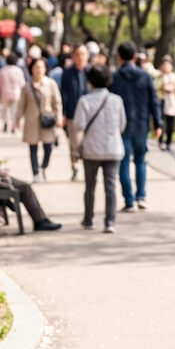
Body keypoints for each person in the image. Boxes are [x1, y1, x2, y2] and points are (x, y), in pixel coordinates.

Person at [0, 105, 61, 231]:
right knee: (25, 187)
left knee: (22, 185)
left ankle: (38, 218)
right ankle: (40, 220)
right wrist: (1, 172)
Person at [73, 63, 126, 233]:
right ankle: (110, 222)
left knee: (90, 186)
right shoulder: (117, 100)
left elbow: (79, 125)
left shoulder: (84, 101)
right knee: (111, 186)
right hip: (113, 149)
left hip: (91, 149)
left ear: (90, 82)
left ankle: (88, 219)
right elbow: (122, 125)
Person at [111, 41, 162, 211]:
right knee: (140, 160)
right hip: (141, 123)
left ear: (119, 56)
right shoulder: (145, 76)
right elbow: (154, 101)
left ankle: (129, 201)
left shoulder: (115, 77)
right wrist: (158, 123)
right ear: (134, 56)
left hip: (121, 125)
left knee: (123, 162)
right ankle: (141, 196)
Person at [14, 56, 63, 182]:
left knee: (48, 147)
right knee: (33, 149)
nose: (39, 70)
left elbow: (57, 102)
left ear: (45, 69)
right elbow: (21, 106)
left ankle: (44, 167)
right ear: (31, 69)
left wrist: (59, 117)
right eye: (36, 67)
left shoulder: (51, 84)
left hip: (47, 120)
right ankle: (35, 173)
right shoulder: (27, 87)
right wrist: (16, 121)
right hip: (31, 122)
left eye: (41, 67)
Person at [59, 44, 90, 181]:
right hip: (73, 113)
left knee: (88, 142)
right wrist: (63, 113)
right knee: (74, 143)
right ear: (73, 56)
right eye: (77, 54)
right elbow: (64, 93)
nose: (80, 57)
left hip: (91, 115)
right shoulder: (67, 73)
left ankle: (88, 167)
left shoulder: (91, 72)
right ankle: (75, 167)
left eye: (83, 54)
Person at [0, 51, 26, 133]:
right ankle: (13, 125)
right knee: (14, 111)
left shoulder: (2, 70)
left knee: (5, 111)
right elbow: (22, 84)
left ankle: (5, 123)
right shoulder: (18, 70)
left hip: (4, 93)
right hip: (16, 94)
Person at [156, 56, 175, 151]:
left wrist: (170, 87)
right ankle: (160, 141)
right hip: (160, 101)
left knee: (170, 123)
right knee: (160, 122)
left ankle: (168, 142)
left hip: (171, 102)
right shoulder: (159, 75)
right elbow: (159, 87)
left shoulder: (174, 76)